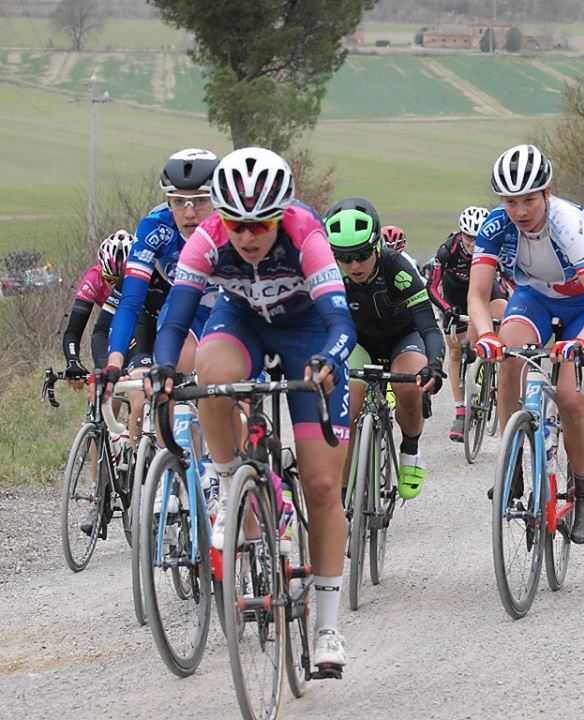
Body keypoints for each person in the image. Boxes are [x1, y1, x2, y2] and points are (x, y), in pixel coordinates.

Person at [147, 147, 356, 672]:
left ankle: (328, 627)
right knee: (211, 378)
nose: (247, 236)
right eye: (237, 224)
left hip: (308, 332)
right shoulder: (208, 238)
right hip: (240, 322)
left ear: (280, 215)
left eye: (259, 225)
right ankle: (224, 482)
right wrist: (164, 368)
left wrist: (330, 359)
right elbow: (175, 319)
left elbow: (340, 323)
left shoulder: (306, 233)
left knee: (324, 487)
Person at [467, 143, 584, 545]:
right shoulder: (496, 226)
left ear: (547, 194)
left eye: (529, 200)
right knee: (507, 354)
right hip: (533, 297)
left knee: (570, 397)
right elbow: (478, 296)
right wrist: (484, 335)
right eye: (511, 201)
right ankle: (512, 460)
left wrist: (581, 342)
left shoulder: (568, 223)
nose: (520, 211)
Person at [325, 198, 445, 501]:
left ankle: (410, 452)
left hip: (402, 339)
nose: (354, 265)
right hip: (359, 343)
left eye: (363, 254)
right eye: (344, 257)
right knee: (346, 409)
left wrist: (434, 363)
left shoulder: (397, 268)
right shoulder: (329, 274)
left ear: (377, 245)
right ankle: (341, 500)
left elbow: (429, 327)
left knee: (407, 388)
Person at [104, 148, 220, 381]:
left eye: (199, 201)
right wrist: (114, 363)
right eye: (178, 201)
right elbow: (131, 302)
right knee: (168, 379)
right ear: (168, 201)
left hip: (232, 305)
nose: (189, 213)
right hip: (185, 306)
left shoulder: (233, 225)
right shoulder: (156, 228)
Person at [426, 205, 509, 441]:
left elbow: (511, 280)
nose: (473, 244)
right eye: (469, 238)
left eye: (478, 238)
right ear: (461, 234)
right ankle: (461, 412)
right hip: (455, 302)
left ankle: (498, 368)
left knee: (504, 316)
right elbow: (431, 286)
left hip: (486, 296)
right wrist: (445, 309)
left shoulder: (495, 249)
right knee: (455, 353)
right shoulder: (447, 250)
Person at [62, 231, 132, 390]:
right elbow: (73, 331)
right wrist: (73, 361)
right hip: (109, 329)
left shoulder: (142, 278)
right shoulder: (94, 279)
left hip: (137, 327)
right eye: (110, 279)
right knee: (108, 390)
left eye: (122, 281)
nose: (116, 287)